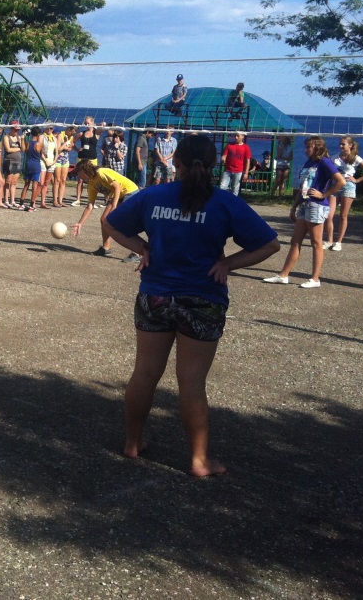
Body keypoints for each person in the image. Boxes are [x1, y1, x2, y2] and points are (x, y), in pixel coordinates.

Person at [106, 134, 280, 477]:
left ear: (176, 161)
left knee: (144, 373)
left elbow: (110, 223)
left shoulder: (153, 195)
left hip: (155, 295)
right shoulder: (225, 202)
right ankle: (199, 461)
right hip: (203, 298)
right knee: (191, 382)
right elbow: (270, 245)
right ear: (214, 164)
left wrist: (142, 248)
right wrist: (228, 264)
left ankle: (132, 443)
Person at [263, 136, 346, 289]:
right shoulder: (309, 162)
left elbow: (341, 181)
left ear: (317, 147)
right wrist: (294, 206)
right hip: (305, 204)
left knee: (316, 242)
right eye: (306, 146)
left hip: (317, 206)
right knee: (295, 240)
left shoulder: (324, 162)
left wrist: (324, 194)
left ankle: (315, 278)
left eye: (309, 147)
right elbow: (304, 187)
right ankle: (283, 275)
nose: (306, 150)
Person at [69, 158, 140, 259]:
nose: (78, 175)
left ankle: (136, 253)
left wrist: (114, 206)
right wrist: (80, 223)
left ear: (84, 171)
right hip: (119, 195)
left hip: (130, 191)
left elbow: (117, 187)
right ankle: (106, 248)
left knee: (125, 221)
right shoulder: (91, 184)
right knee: (104, 219)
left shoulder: (101, 173)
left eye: (79, 172)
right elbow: (90, 206)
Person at [324, 135, 363, 252]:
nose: (341, 146)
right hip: (335, 186)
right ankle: (329, 240)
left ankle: (338, 242)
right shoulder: (335, 157)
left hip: (348, 186)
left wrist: (357, 180)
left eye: (343, 144)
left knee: (343, 215)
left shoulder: (355, 158)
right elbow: (329, 172)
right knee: (329, 215)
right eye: (340, 144)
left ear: (350, 145)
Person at [72, 116, 98, 205]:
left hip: (92, 158)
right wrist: (77, 149)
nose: (87, 125)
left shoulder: (96, 133)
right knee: (80, 180)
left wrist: (95, 125)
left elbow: (104, 125)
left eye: (88, 123)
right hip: (82, 157)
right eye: (85, 123)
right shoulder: (81, 133)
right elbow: (72, 142)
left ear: (92, 122)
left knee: (92, 180)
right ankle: (78, 199)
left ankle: (91, 200)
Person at [21, 126, 44, 211]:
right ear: (38, 135)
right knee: (35, 186)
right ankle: (31, 205)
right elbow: (40, 154)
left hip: (28, 164)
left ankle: (21, 204)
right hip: (36, 165)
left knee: (26, 185)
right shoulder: (39, 144)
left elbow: (24, 150)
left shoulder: (27, 143)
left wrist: (22, 139)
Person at [1, 122, 23, 207]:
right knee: (8, 181)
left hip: (18, 161)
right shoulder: (6, 137)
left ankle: (12, 200)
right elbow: (8, 149)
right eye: (15, 130)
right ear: (11, 128)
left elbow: (23, 149)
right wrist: (18, 149)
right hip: (9, 161)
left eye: (18, 130)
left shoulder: (19, 138)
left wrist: (22, 140)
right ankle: (6, 200)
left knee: (14, 182)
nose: (17, 131)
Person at [53, 125, 75, 207]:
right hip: (58, 159)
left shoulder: (71, 137)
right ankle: (55, 200)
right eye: (72, 133)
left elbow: (70, 148)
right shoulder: (60, 135)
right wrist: (65, 143)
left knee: (63, 180)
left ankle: (60, 200)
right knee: (57, 180)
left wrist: (66, 146)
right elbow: (59, 149)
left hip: (65, 159)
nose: (72, 134)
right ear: (69, 130)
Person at [39, 122, 58, 208]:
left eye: (51, 128)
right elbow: (40, 150)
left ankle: (43, 202)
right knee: (41, 182)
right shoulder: (42, 137)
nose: (49, 130)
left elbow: (56, 152)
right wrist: (45, 160)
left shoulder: (54, 138)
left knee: (46, 183)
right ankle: (35, 201)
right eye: (47, 128)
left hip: (51, 161)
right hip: (43, 160)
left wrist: (54, 161)